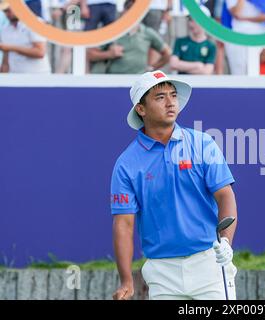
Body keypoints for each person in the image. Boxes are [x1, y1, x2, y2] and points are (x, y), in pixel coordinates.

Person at [110, 70, 238, 300]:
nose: (170, 102)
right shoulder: (126, 164)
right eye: (160, 97)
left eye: (173, 95)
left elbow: (225, 196)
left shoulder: (202, 143)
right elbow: (124, 225)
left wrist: (226, 241)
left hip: (209, 263)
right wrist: (126, 280)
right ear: (141, 109)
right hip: (161, 272)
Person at [87, 0, 171, 74]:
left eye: (135, 10)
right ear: (124, 11)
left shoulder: (147, 32)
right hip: (113, 80)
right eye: (129, 9)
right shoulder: (112, 32)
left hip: (138, 81)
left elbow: (167, 53)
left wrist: (152, 68)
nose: (132, 14)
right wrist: (108, 54)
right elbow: (90, 54)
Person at [222, 0, 265, 75]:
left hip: (258, 36)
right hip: (237, 37)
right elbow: (236, 12)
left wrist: (245, 19)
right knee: (238, 70)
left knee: (254, 70)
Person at [0, 2, 51, 73]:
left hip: (38, 77)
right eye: (5, 11)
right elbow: (5, 61)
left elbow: (40, 52)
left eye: (9, 10)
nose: (7, 13)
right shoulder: (5, 29)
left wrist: (10, 48)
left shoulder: (35, 22)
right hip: (15, 78)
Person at [170, 6, 216, 75]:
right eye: (190, 19)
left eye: (196, 20)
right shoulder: (180, 41)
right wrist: (198, 66)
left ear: (205, 22)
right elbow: (173, 64)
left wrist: (182, 67)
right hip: (183, 83)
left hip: (201, 84)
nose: (191, 23)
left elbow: (207, 71)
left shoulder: (210, 46)